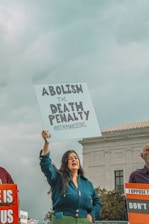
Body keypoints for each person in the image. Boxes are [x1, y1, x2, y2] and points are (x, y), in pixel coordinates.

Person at [39, 130, 102, 224]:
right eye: (70, 158)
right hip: (63, 221)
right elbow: (46, 165)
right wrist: (46, 143)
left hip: (83, 221)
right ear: (65, 162)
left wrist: (91, 215)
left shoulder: (87, 184)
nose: (74, 160)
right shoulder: (58, 178)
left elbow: (98, 203)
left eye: (76, 158)